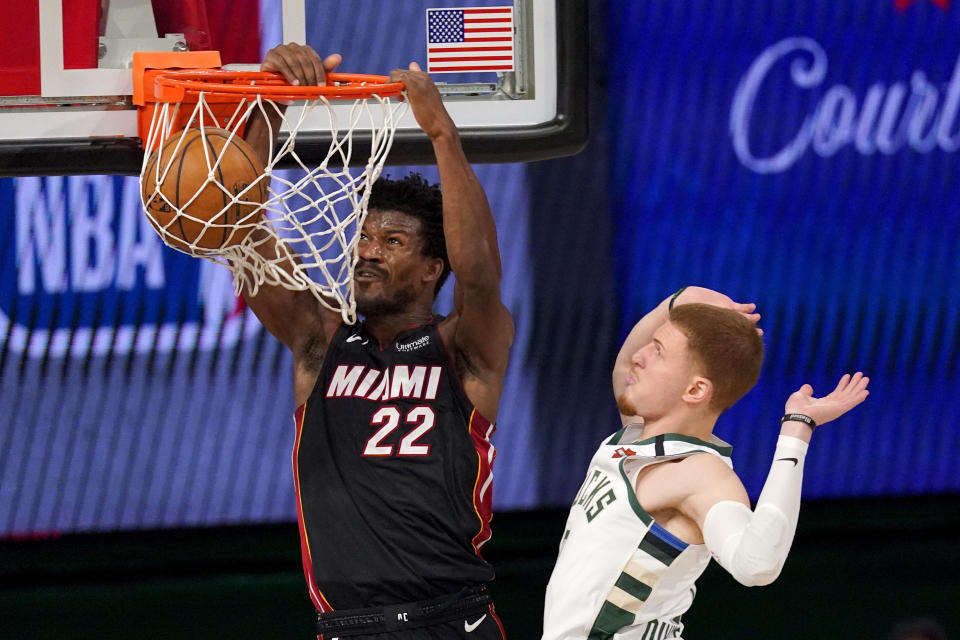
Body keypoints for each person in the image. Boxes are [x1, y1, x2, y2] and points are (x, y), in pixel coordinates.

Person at [242, 44, 514, 639]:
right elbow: (242, 231)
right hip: (345, 628)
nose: (367, 249)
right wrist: (267, 104)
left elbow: (482, 273)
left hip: (450, 622)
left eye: (392, 241)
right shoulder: (320, 342)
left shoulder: (464, 349)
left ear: (430, 269)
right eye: (364, 236)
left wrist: (441, 131)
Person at [541, 286, 870, 639]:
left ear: (696, 390)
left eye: (658, 352)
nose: (640, 356)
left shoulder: (700, 473)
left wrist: (797, 429)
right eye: (649, 345)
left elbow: (757, 564)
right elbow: (624, 366)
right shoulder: (636, 438)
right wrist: (674, 303)